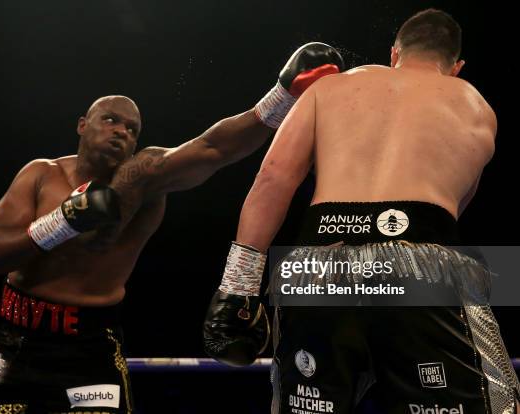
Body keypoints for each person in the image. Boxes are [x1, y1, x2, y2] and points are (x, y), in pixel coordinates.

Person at [0, 43, 344, 413]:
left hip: (88, 348)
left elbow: (212, 149)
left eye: (131, 128)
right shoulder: (39, 175)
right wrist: (60, 223)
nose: (121, 130)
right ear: (83, 125)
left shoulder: (143, 180)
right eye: (111, 120)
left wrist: (282, 97)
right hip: (8, 335)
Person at [203, 9, 520, 414]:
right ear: (456, 67)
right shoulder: (474, 105)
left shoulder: (329, 89)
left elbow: (272, 180)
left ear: (394, 54)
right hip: (419, 262)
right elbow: (453, 212)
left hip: (312, 270)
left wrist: (238, 287)